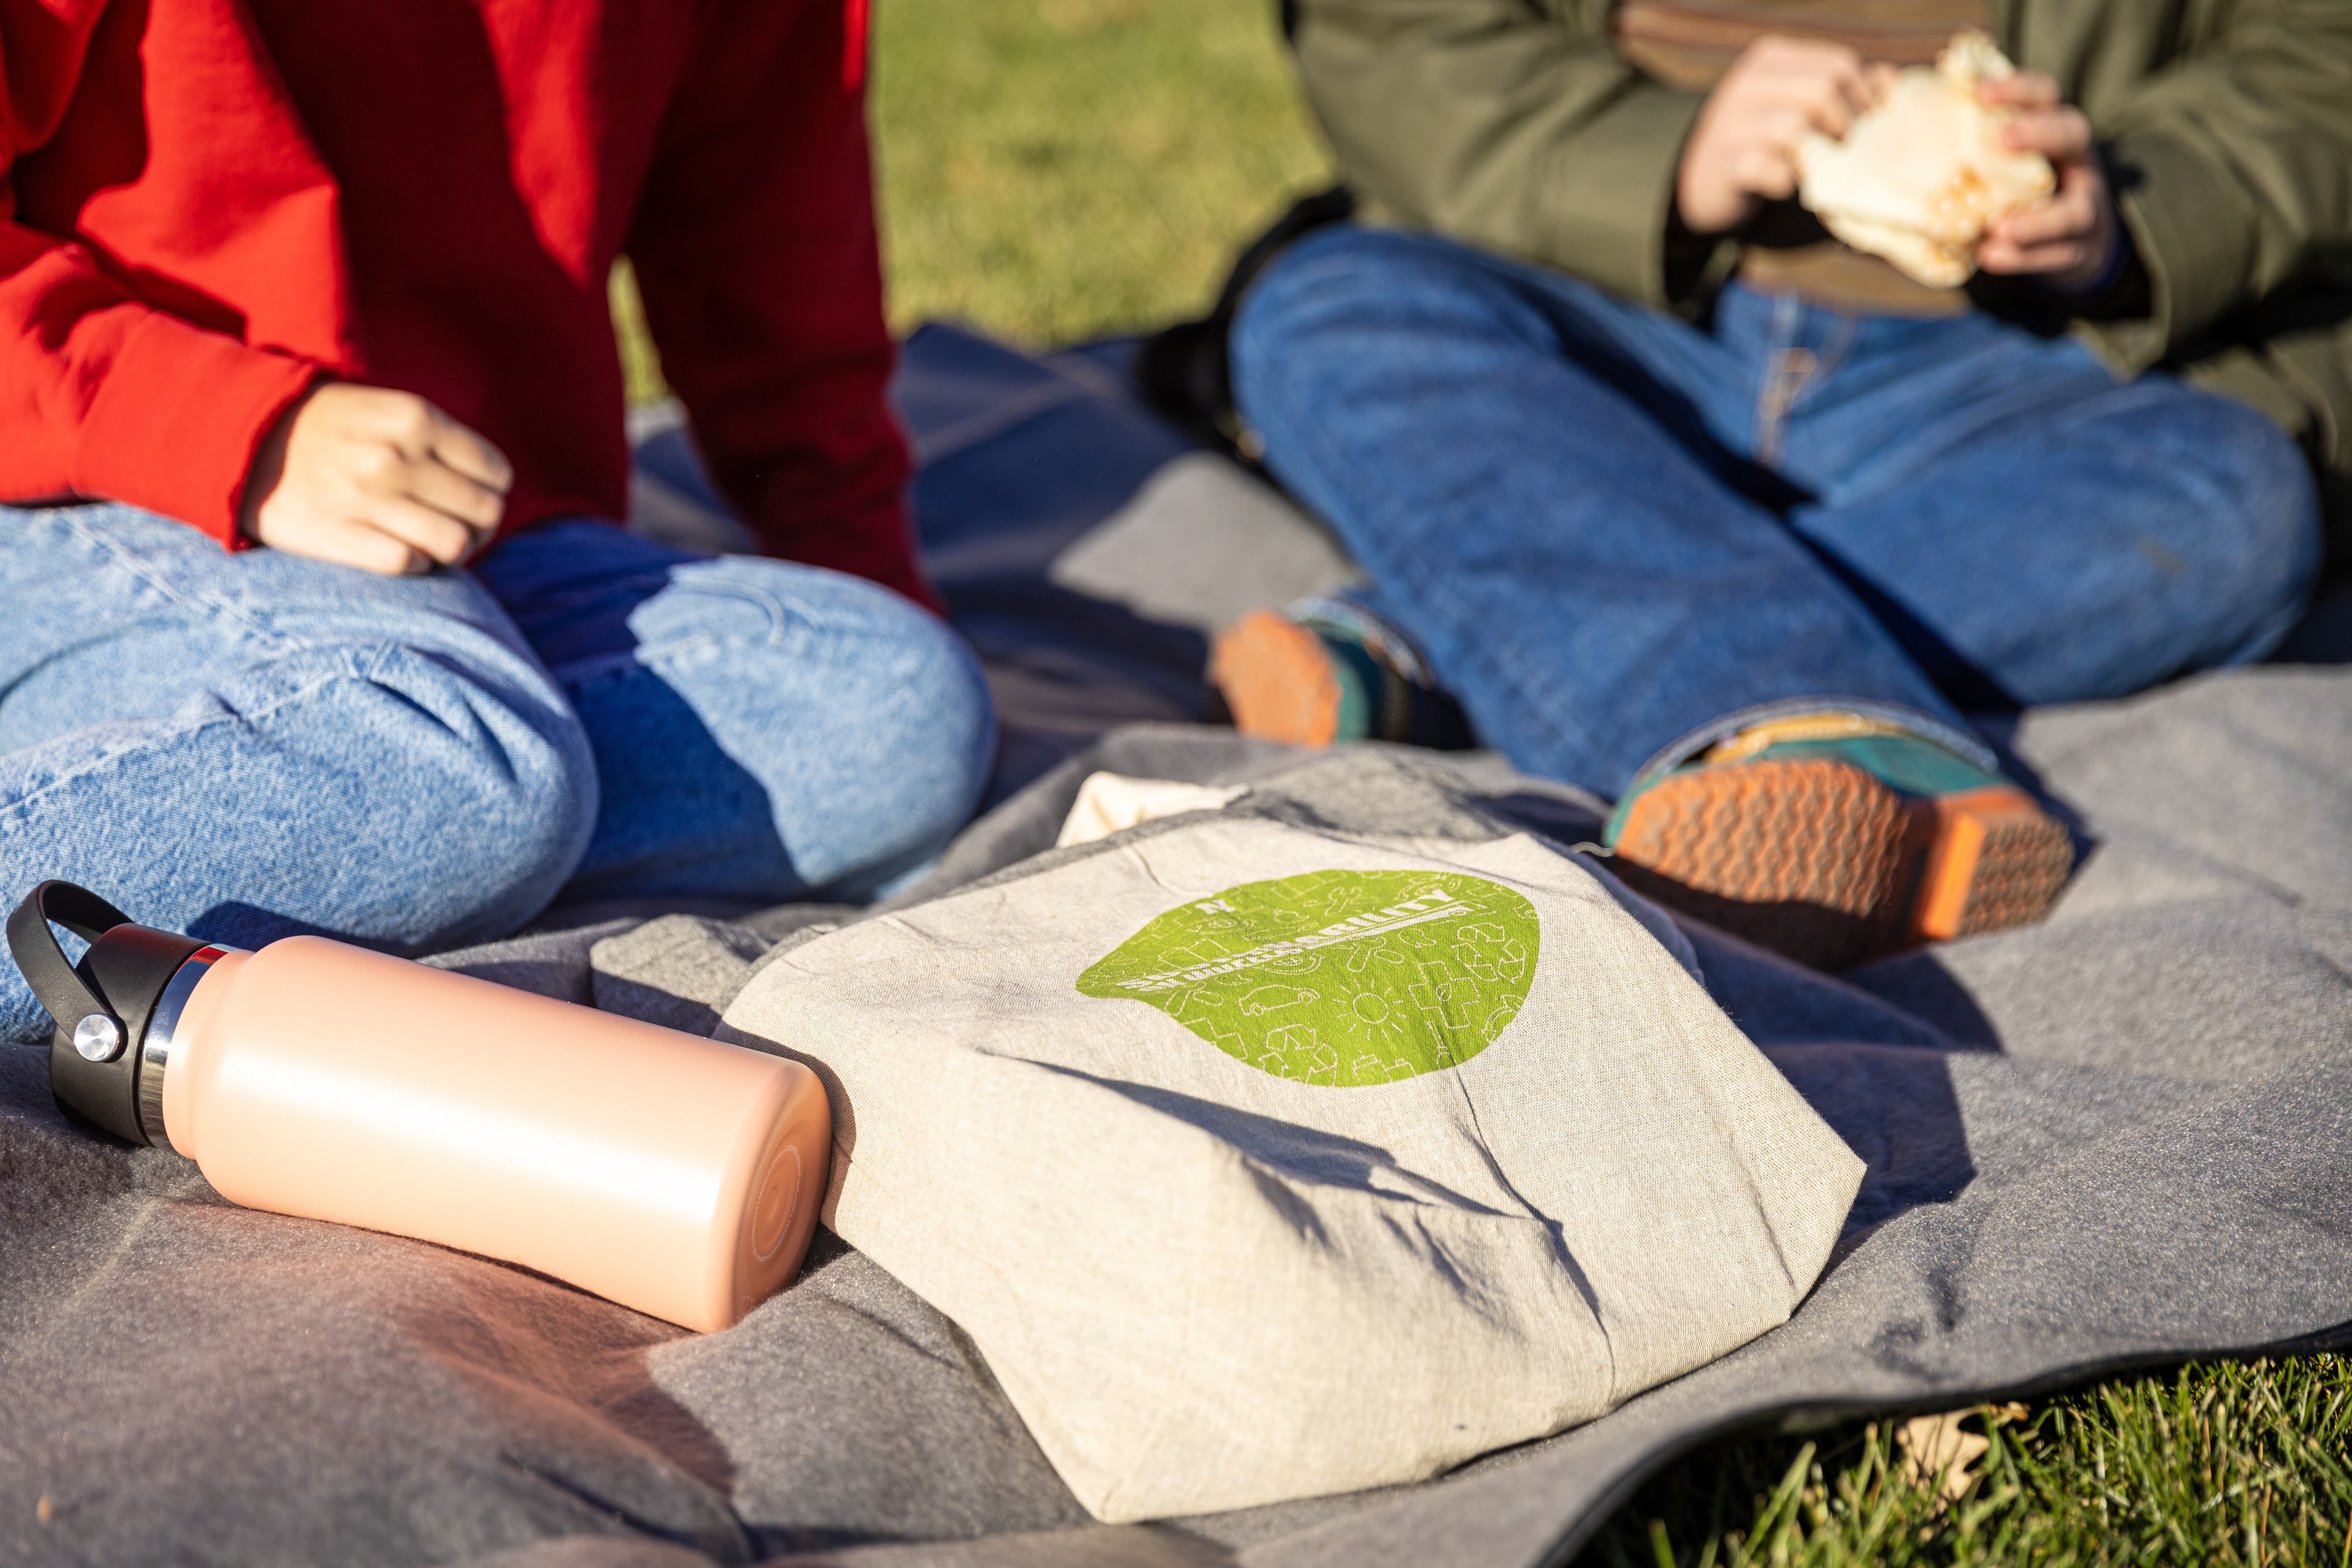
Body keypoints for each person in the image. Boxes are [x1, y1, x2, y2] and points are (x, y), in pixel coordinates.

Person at [1209, 0, 2341, 970]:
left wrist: (2146, 205)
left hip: (2025, 353)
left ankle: (1449, 642)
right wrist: (1658, 156)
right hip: (1619, 305)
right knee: (1331, 308)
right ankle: (1839, 740)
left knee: (2237, 492)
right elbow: (1387, 34)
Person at [0, 0, 995, 1041]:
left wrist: (851, 537)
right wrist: (226, 430)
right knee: (461, 760)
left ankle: (333, 785)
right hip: (80, 477)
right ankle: (392, 781)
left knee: (896, 711)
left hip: (461, 542)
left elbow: (766, 222)